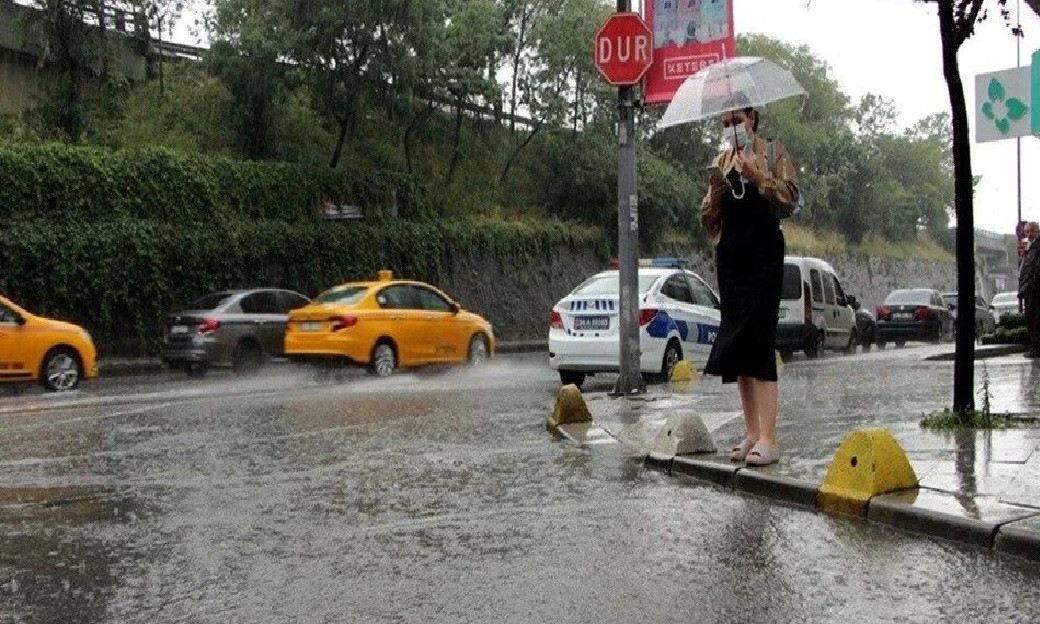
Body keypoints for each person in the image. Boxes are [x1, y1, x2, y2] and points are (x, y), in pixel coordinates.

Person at [700, 106, 800, 467]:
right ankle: (751, 431)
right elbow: (708, 220)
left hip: (763, 256)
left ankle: (770, 439)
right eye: (725, 123)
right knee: (738, 346)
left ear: (752, 119)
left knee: (759, 341)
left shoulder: (772, 152)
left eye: (737, 120)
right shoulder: (721, 161)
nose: (732, 128)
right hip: (731, 259)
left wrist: (758, 176)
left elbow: (790, 197)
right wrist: (715, 192)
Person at [1019, 221, 1040, 358]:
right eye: (1027, 232)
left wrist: (1029, 284)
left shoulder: (1037, 247)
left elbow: (1035, 269)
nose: (1029, 234)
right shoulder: (1031, 247)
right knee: (1032, 318)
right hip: (1031, 289)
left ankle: (1036, 348)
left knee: (1035, 318)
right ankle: (1035, 346)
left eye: (1031, 231)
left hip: (1035, 289)